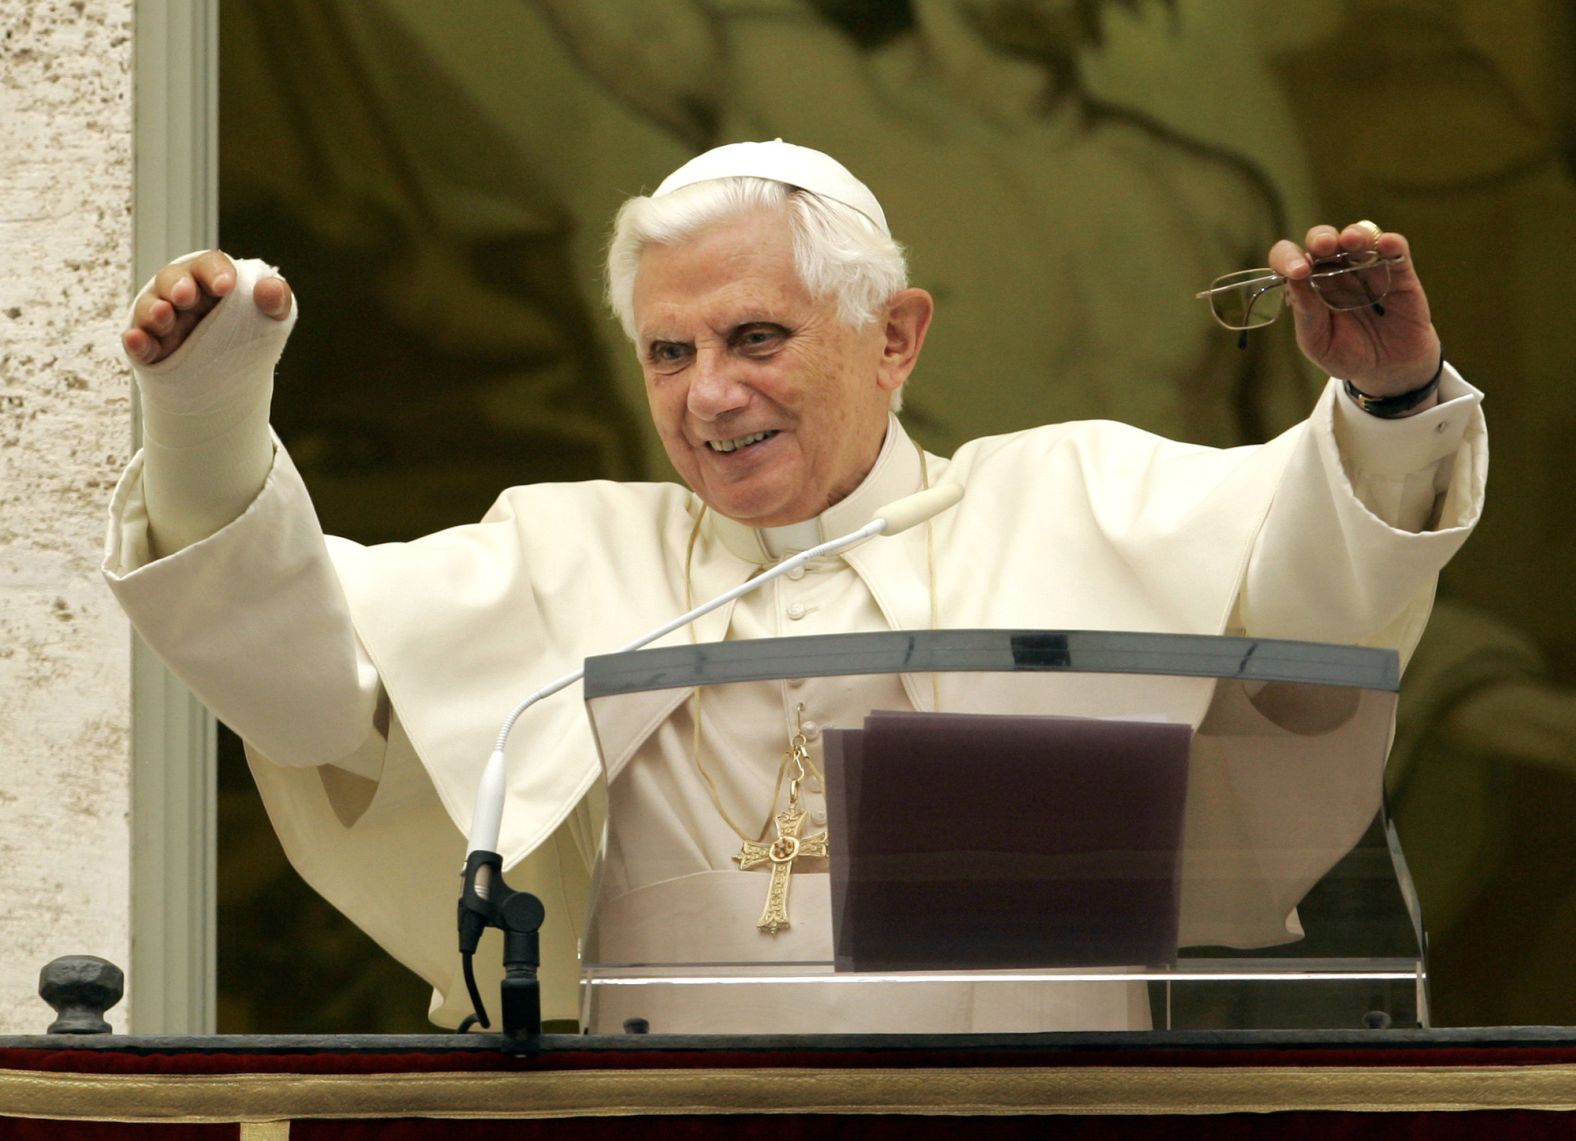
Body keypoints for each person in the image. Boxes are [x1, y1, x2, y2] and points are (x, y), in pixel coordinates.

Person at [105, 141, 1485, 1033]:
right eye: (666, 351)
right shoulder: (568, 553)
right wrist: (204, 426)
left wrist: (1386, 399)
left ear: (893, 336)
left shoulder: (1079, 500)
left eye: (755, 335)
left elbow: (1319, 617)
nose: (709, 395)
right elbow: (305, 687)